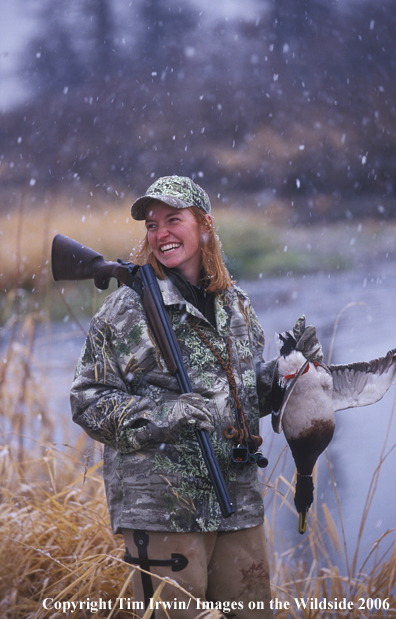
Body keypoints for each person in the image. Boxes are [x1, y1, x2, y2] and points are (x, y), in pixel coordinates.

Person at [70, 176, 320, 618]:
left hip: (237, 502)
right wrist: (170, 414)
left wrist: (289, 375)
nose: (160, 232)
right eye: (152, 224)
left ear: (205, 225)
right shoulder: (125, 309)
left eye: (173, 219)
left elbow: (236, 391)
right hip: (165, 512)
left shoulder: (236, 304)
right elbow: (88, 400)